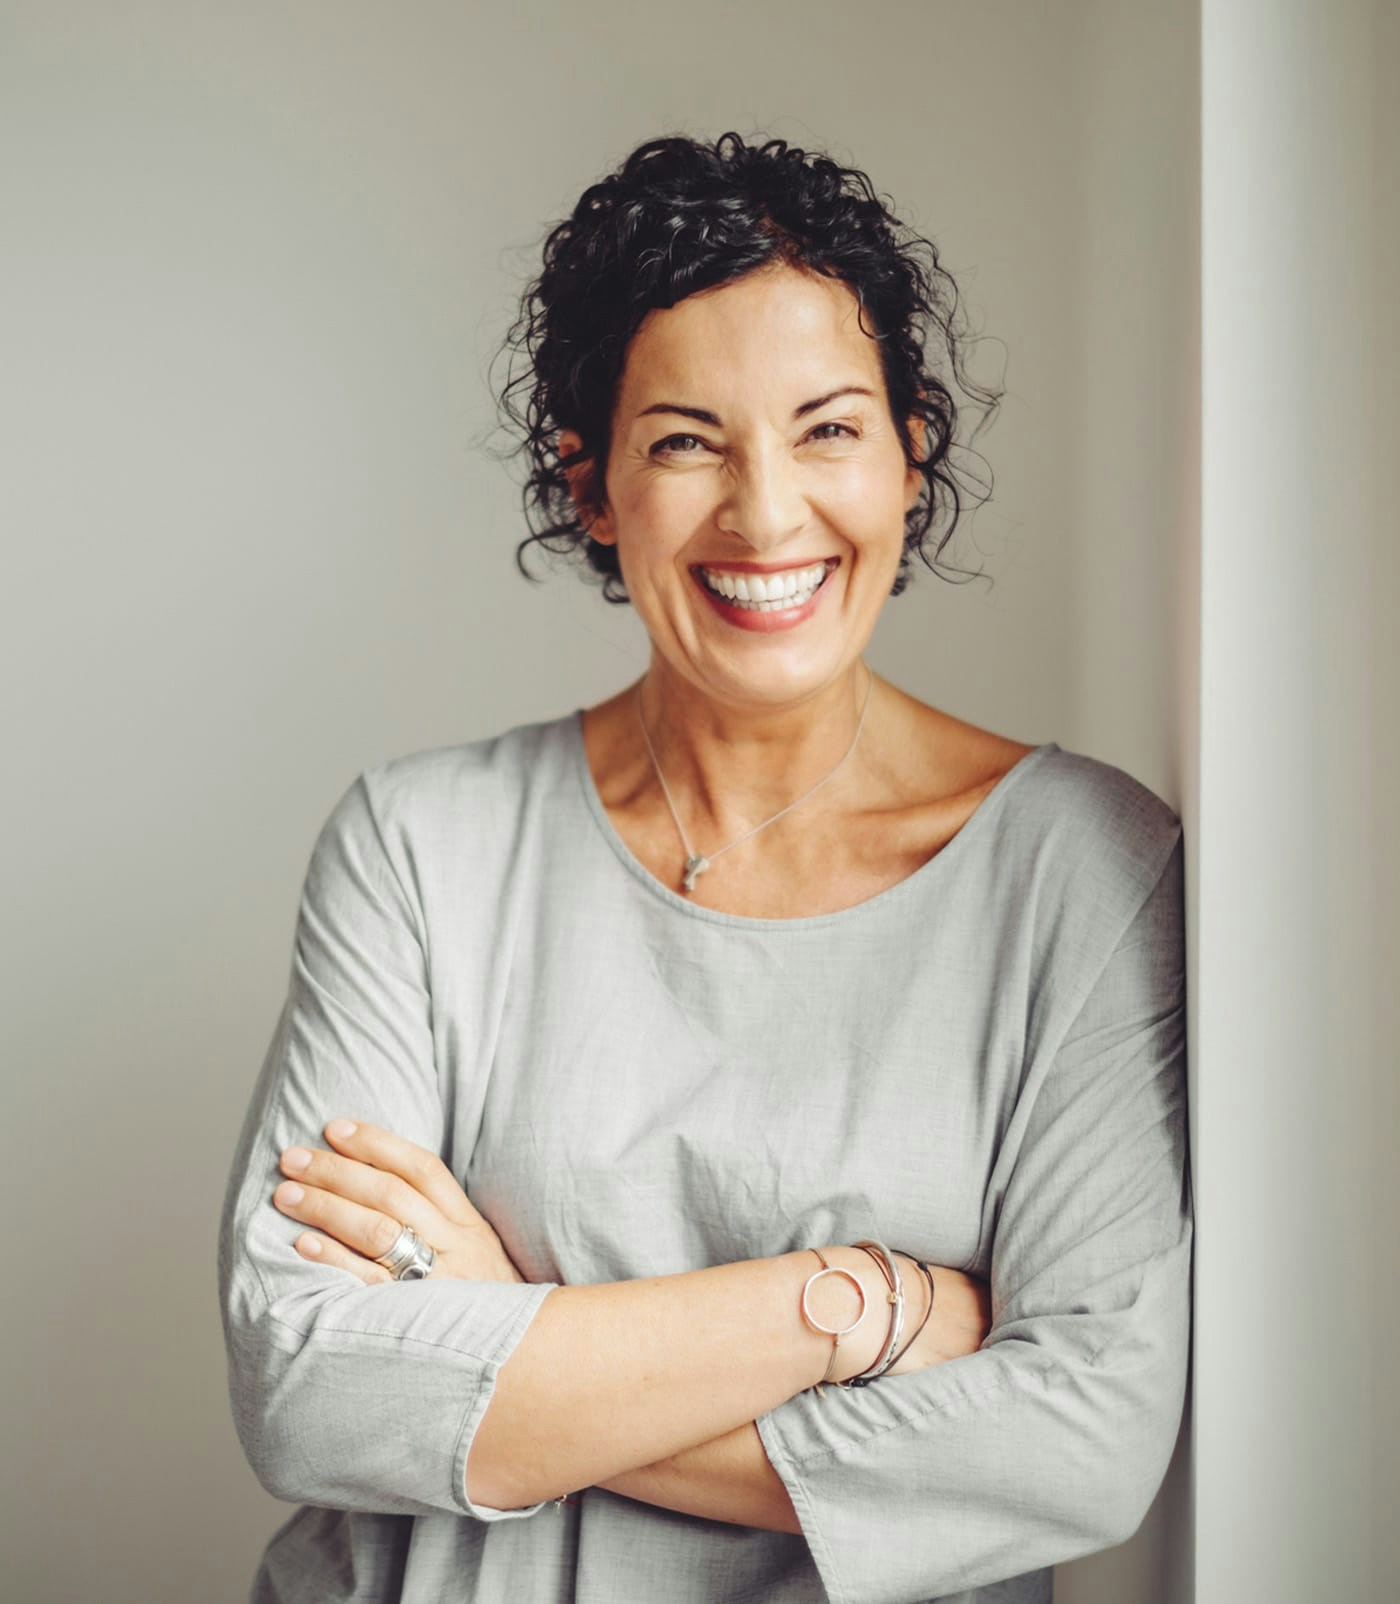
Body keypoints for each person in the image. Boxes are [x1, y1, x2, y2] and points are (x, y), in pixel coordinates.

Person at [217, 130, 1192, 1604]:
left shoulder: (1083, 871)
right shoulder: (421, 849)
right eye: (686, 440)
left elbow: (1077, 1449)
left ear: (910, 451)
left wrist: (509, 1329)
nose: (767, 514)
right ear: (591, 484)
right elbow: (308, 1384)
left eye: (828, 429)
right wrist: (857, 1308)